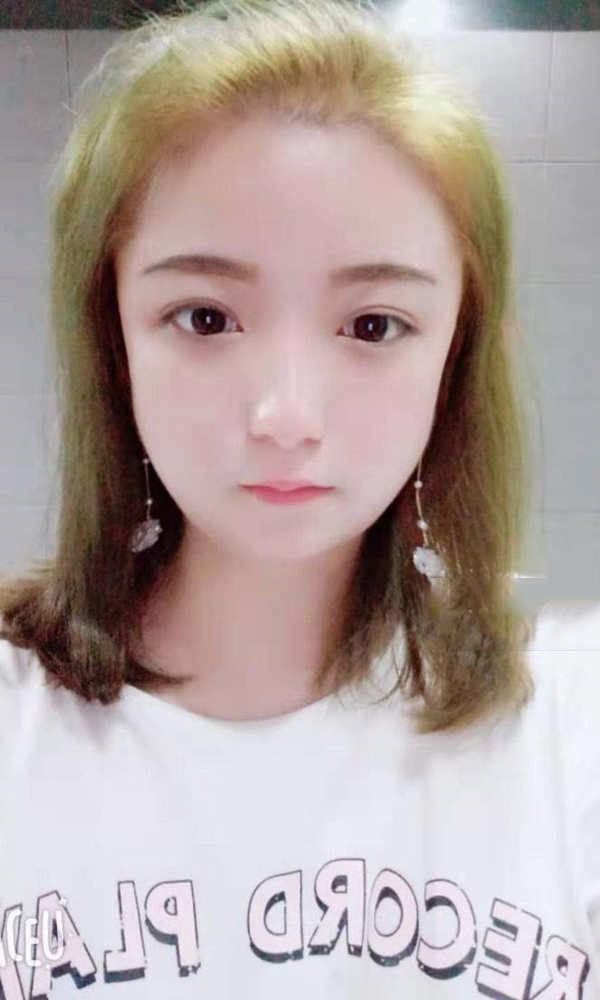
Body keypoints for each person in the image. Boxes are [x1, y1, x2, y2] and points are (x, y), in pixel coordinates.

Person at [0, 0, 598, 995]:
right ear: (113, 342)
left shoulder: (571, 734)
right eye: (205, 317)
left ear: (456, 359)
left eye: (373, 325)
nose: (285, 414)